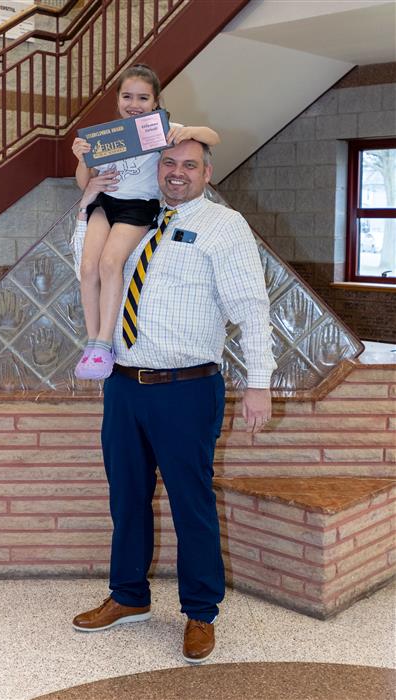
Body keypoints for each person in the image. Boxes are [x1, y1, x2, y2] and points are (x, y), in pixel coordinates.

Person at [70, 139, 276, 664]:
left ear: (207, 172)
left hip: (187, 387)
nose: (177, 172)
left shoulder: (224, 227)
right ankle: (129, 595)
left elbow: (251, 307)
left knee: (192, 504)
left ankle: (201, 613)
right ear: (155, 168)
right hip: (123, 384)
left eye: (189, 165)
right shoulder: (130, 216)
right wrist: (88, 200)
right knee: (127, 497)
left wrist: (259, 383)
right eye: (168, 162)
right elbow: (86, 264)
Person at [71, 64, 220, 380]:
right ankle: (93, 343)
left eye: (142, 98)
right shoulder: (108, 135)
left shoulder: (160, 129)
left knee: (111, 264)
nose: (134, 104)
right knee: (88, 268)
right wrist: (83, 161)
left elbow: (213, 137)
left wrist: (189, 132)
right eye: (127, 96)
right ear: (117, 99)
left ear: (155, 102)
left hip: (138, 207)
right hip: (105, 203)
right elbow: (85, 182)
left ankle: (104, 341)